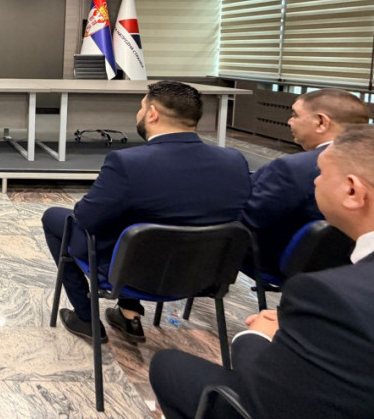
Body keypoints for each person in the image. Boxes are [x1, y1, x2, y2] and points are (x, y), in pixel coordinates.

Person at [150, 124, 374, 419]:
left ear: (352, 190)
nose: (316, 181)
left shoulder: (327, 294)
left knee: (168, 365)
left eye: (320, 173)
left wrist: (256, 338)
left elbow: (270, 400)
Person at [42, 81, 251, 343]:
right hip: (204, 276)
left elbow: (86, 218)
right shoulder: (235, 161)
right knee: (138, 219)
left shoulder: (128, 163)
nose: (138, 113)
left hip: (131, 273)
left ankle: (86, 318)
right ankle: (129, 315)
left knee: (55, 218)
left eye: (141, 107)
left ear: (152, 114)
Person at [242, 88, 369, 278]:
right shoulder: (366, 164)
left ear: (321, 122)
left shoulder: (293, 168)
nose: (289, 121)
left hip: (281, 262)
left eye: (295, 115)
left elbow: (249, 218)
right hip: (352, 266)